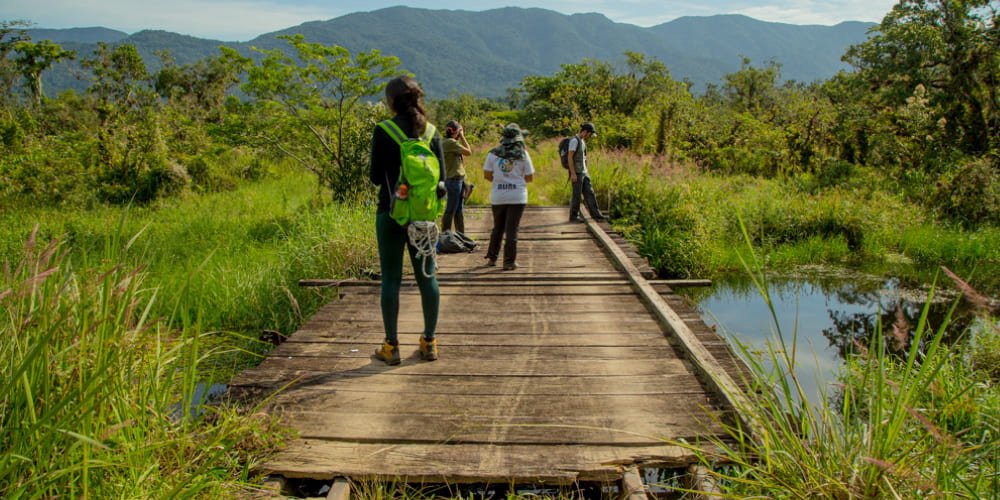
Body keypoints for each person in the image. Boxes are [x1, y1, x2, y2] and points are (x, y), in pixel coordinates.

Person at [367, 76, 443, 365]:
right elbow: (443, 180)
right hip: (424, 218)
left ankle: (391, 347)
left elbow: (375, 176)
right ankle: (429, 343)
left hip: (390, 214)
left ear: (391, 102)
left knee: (391, 279)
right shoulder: (432, 132)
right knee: (428, 277)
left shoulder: (383, 130)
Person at [483, 123, 534, 271]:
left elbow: (487, 175)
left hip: (498, 196)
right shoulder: (523, 154)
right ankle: (509, 262)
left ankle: (492, 258)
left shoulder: (493, 153)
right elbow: (530, 177)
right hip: (517, 197)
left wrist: (500, 181)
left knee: (497, 228)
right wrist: (516, 181)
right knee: (512, 230)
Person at [567, 122, 606, 223]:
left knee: (590, 192)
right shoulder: (574, 141)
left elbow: (584, 158)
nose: (590, 136)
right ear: (585, 131)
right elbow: (570, 158)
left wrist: (586, 170)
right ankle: (573, 217)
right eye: (589, 134)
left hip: (584, 172)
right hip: (577, 172)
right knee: (577, 195)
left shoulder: (582, 141)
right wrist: (573, 173)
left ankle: (596, 215)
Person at [441, 120, 472, 233]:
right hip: (454, 181)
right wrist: (463, 137)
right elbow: (469, 152)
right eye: (458, 132)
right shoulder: (450, 143)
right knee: (451, 209)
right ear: (455, 132)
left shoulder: (446, 141)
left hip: (456, 180)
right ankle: (445, 236)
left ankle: (461, 236)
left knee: (459, 210)